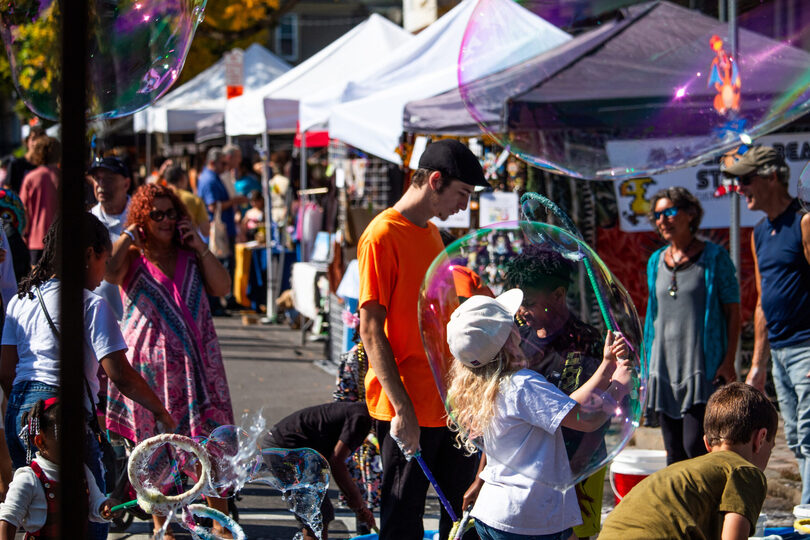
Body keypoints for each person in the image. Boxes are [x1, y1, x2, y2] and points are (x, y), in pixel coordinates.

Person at [0, 213, 175, 540]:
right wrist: (160, 410)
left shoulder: (20, 302)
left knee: (37, 513)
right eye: (104, 260)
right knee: (91, 513)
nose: (103, 274)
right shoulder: (91, 305)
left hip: (22, 414)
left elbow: (6, 371)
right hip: (64, 418)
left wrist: (29, 414)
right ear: (87, 255)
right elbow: (120, 375)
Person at [358, 138, 490, 539]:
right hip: (407, 408)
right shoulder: (381, 235)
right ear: (435, 180)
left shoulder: (431, 233)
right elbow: (370, 330)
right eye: (462, 194)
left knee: (461, 517)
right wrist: (403, 409)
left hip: (447, 404)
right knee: (402, 521)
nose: (464, 206)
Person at [103, 184, 235, 538]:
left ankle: (220, 523)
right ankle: (164, 527)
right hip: (151, 373)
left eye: (170, 213)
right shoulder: (132, 255)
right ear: (143, 218)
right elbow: (108, 271)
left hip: (199, 370)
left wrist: (201, 245)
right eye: (155, 214)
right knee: (155, 447)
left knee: (212, 444)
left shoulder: (192, 255)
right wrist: (131, 230)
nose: (164, 220)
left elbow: (223, 288)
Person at [445, 291, 632, 540]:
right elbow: (586, 420)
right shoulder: (523, 385)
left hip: (494, 514)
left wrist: (607, 366)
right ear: (510, 337)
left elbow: (564, 406)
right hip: (531, 518)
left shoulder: (486, 384)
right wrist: (618, 386)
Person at [490, 245, 608, 538]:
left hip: (577, 470)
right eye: (518, 302)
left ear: (558, 294)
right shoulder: (517, 340)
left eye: (528, 302)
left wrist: (576, 469)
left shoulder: (587, 342)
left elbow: (598, 413)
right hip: (530, 474)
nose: (520, 311)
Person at [724, 145, 810, 503]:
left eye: (745, 179)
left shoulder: (804, 222)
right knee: (794, 436)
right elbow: (762, 301)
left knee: (808, 432)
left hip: (807, 345)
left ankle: (807, 509)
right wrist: (757, 365)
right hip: (780, 350)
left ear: (772, 177)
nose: (740, 188)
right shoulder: (759, 232)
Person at [599, 382, 777, 539]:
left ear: (707, 443)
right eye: (772, 447)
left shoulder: (687, 472)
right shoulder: (744, 470)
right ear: (760, 439)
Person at [642, 186, 740, 465]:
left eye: (670, 212)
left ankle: (705, 507)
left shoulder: (715, 258)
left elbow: (733, 311)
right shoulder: (655, 261)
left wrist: (729, 360)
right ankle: (681, 508)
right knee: (673, 452)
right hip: (663, 368)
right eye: (658, 215)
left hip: (701, 368)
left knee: (695, 446)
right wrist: (646, 366)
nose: (662, 220)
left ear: (690, 214)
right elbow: (653, 316)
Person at [0, 399, 117, 539]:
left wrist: (105, 506)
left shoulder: (82, 472)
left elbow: (95, 504)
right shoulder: (28, 479)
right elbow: (9, 519)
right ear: (40, 442)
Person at [262, 402, 377, 539]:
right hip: (284, 449)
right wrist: (359, 504)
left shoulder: (360, 412)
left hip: (292, 448)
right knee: (316, 517)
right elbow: (337, 463)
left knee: (318, 515)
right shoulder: (362, 418)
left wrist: (356, 503)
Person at [197, 147, 247, 315]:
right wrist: (234, 201)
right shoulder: (210, 179)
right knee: (220, 264)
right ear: (213, 162)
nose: (226, 166)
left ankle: (221, 301)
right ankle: (217, 302)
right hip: (219, 230)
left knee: (224, 264)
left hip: (223, 228)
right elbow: (213, 205)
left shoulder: (213, 177)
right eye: (223, 163)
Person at [88, 156, 133, 320]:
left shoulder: (141, 219)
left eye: (109, 179)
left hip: (135, 322)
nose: (101, 184)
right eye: (97, 178)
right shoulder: (87, 222)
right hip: (95, 322)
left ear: (126, 184)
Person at [19, 137, 60, 266]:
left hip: (35, 240)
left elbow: (23, 210)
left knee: (37, 283)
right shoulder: (63, 176)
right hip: (60, 238)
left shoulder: (30, 178)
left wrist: (24, 235)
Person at [164, 164, 209, 236]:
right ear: (182, 178)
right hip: (186, 242)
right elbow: (205, 231)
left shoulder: (161, 198)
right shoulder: (194, 200)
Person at [6, 125, 44, 194]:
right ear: (27, 141)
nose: (36, 143)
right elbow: (7, 191)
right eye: (33, 139)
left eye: (40, 139)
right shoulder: (15, 164)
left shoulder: (44, 166)